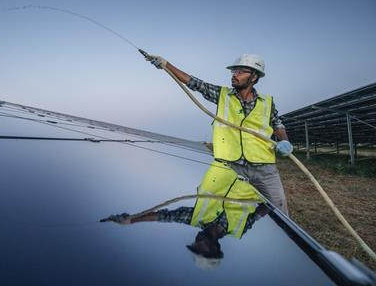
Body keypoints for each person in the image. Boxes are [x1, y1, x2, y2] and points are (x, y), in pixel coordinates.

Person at [146, 54, 293, 214]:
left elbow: (277, 123)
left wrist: (285, 141)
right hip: (230, 167)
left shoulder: (267, 102)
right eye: (233, 72)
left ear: (254, 77)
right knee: (214, 209)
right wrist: (167, 65)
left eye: (240, 72)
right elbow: (195, 83)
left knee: (279, 209)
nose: (234, 75)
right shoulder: (223, 95)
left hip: (264, 169)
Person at [102, 161, 270, 270]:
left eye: (194, 247)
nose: (196, 243)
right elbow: (260, 213)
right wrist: (271, 199)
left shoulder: (196, 218)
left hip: (229, 162)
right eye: (200, 249)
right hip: (255, 172)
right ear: (215, 249)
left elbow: (165, 216)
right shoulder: (239, 230)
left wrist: (132, 220)